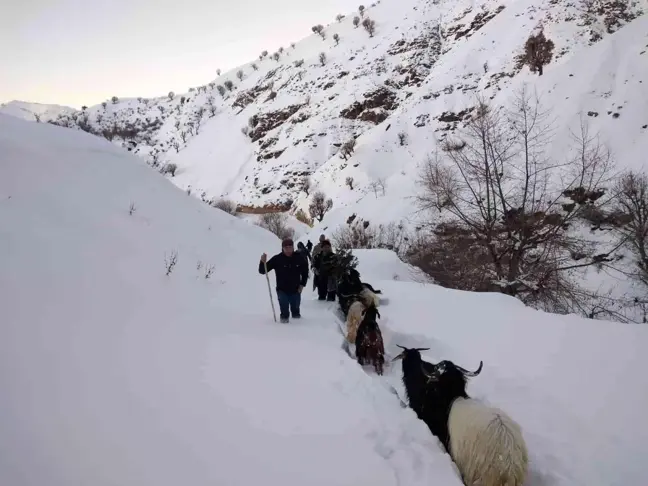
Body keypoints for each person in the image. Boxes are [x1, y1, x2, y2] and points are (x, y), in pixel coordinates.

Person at [259, 238, 309, 323]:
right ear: (282, 248)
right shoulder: (277, 259)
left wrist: (302, 284)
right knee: (284, 313)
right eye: (286, 248)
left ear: (293, 247)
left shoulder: (299, 258)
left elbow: (305, 272)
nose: (288, 250)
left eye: (290, 247)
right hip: (282, 290)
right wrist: (262, 261)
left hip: (296, 290)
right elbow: (263, 270)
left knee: (296, 313)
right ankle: (283, 330)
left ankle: (299, 329)